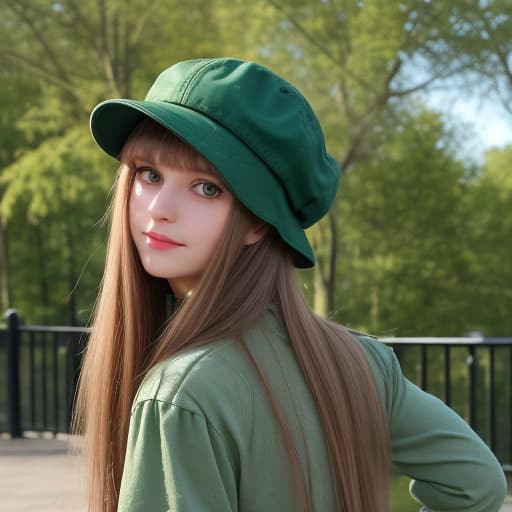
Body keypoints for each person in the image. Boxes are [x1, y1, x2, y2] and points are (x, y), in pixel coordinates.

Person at [75, 58, 507, 512]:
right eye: (149, 174)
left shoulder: (180, 396)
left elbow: (476, 484)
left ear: (259, 224)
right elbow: (476, 483)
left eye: (207, 188)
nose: (160, 207)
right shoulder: (363, 363)